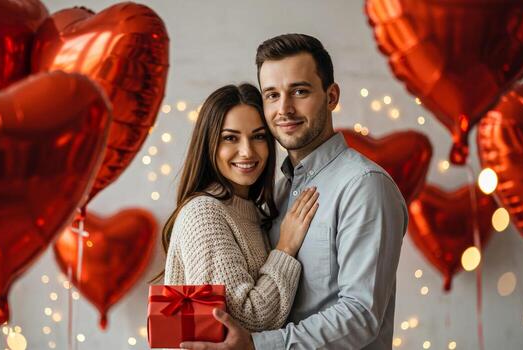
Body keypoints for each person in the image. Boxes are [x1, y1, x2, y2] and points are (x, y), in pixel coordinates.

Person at [180, 34, 407, 350]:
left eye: (299, 91)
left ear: (331, 96)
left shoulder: (363, 185)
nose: (284, 109)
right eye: (272, 95)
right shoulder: (277, 191)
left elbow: (360, 315)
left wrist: (258, 346)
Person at [157, 83, 319, 331]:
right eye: (230, 138)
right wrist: (286, 247)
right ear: (209, 144)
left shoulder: (252, 210)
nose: (247, 151)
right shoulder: (203, 214)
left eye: (258, 136)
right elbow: (243, 319)